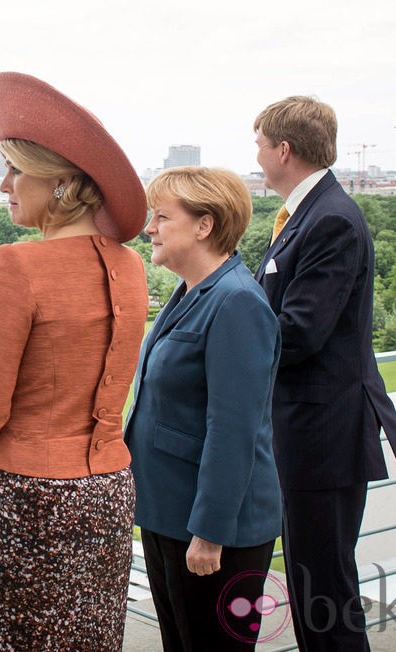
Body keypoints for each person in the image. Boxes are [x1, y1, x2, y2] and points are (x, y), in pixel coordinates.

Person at [0, 72, 149, 651]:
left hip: (27, 498)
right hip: (106, 492)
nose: (4, 183)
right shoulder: (130, 266)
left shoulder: (18, 265)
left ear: (59, 183)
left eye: (15, 169)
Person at [252, 96, 396, 651]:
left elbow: (298, 331)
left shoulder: (331, 220)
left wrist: (225, 345)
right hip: (306, 434)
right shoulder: (308, 214)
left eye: (259, 144)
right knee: (309, 585)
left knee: (325, 594)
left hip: (323, 437)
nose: (255, 155)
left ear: (284, 149)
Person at [124, 167, 282, 650]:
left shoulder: (237, 303)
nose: (149, 228)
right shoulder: (189, 292)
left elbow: (233, 429)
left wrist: (210, 533)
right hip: (168, 513)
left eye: (162, 217)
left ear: (204, 225)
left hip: (215, 532)